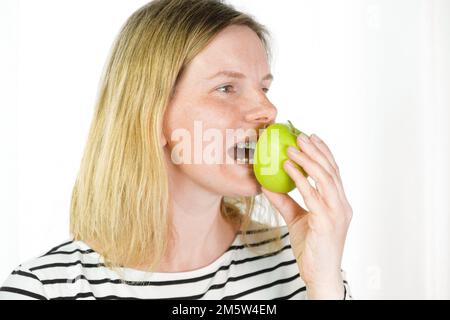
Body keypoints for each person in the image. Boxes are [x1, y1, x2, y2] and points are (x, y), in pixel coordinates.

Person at [0, 0, 353, 300]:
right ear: (151, 115)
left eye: (264, 87)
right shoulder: (44, 289)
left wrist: (324, 285)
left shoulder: (300, 262)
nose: (267, 111)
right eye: (227, 87)